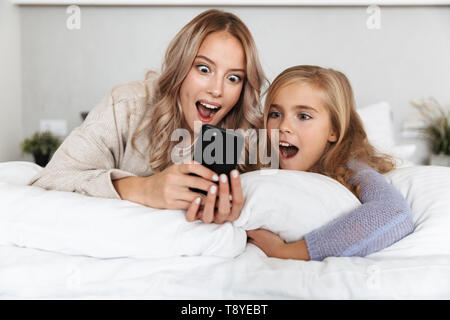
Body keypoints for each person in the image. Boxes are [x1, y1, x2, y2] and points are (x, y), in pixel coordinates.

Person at [29, 9, 267, 225]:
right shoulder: (126, 105)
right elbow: (49, 181)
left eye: (233, 78)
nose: (217, 90)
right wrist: (143, 189)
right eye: (203, 69)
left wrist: (234, 220)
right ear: (180, 66)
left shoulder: (243, 134)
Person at [244, 65, 415, 261]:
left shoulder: (351, 168)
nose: (283, 126)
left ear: (333, 130)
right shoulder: (260, 162)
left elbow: (394, 214)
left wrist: (286, 252)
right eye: (275, 114)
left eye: (303, 116)